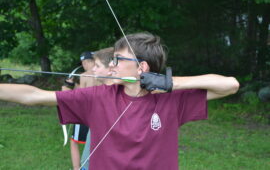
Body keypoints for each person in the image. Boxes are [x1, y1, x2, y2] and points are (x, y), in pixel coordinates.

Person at [0, 32, 239, 170]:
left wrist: (169, 83)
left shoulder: (171, 100)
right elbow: (33, 96)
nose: (111, 65)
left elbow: (230, 85)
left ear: (141, 67)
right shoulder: (98, 97)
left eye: (118, 59)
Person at [62, 51, 99, 170]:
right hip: (99, 113)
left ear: (93, 61)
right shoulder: (105, 75)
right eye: (83, 62)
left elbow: (81, 96)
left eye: (87, 62)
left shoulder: (84, 76)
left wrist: (68, 85)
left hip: (85, 114)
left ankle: (77, 168)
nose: (84, 65)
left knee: (74, 141)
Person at [80, 47, 114, 169]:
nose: (93, 69)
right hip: (88, 162)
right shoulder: (99, 93)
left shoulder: (120, 95)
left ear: (111, 68)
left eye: (97, 66)